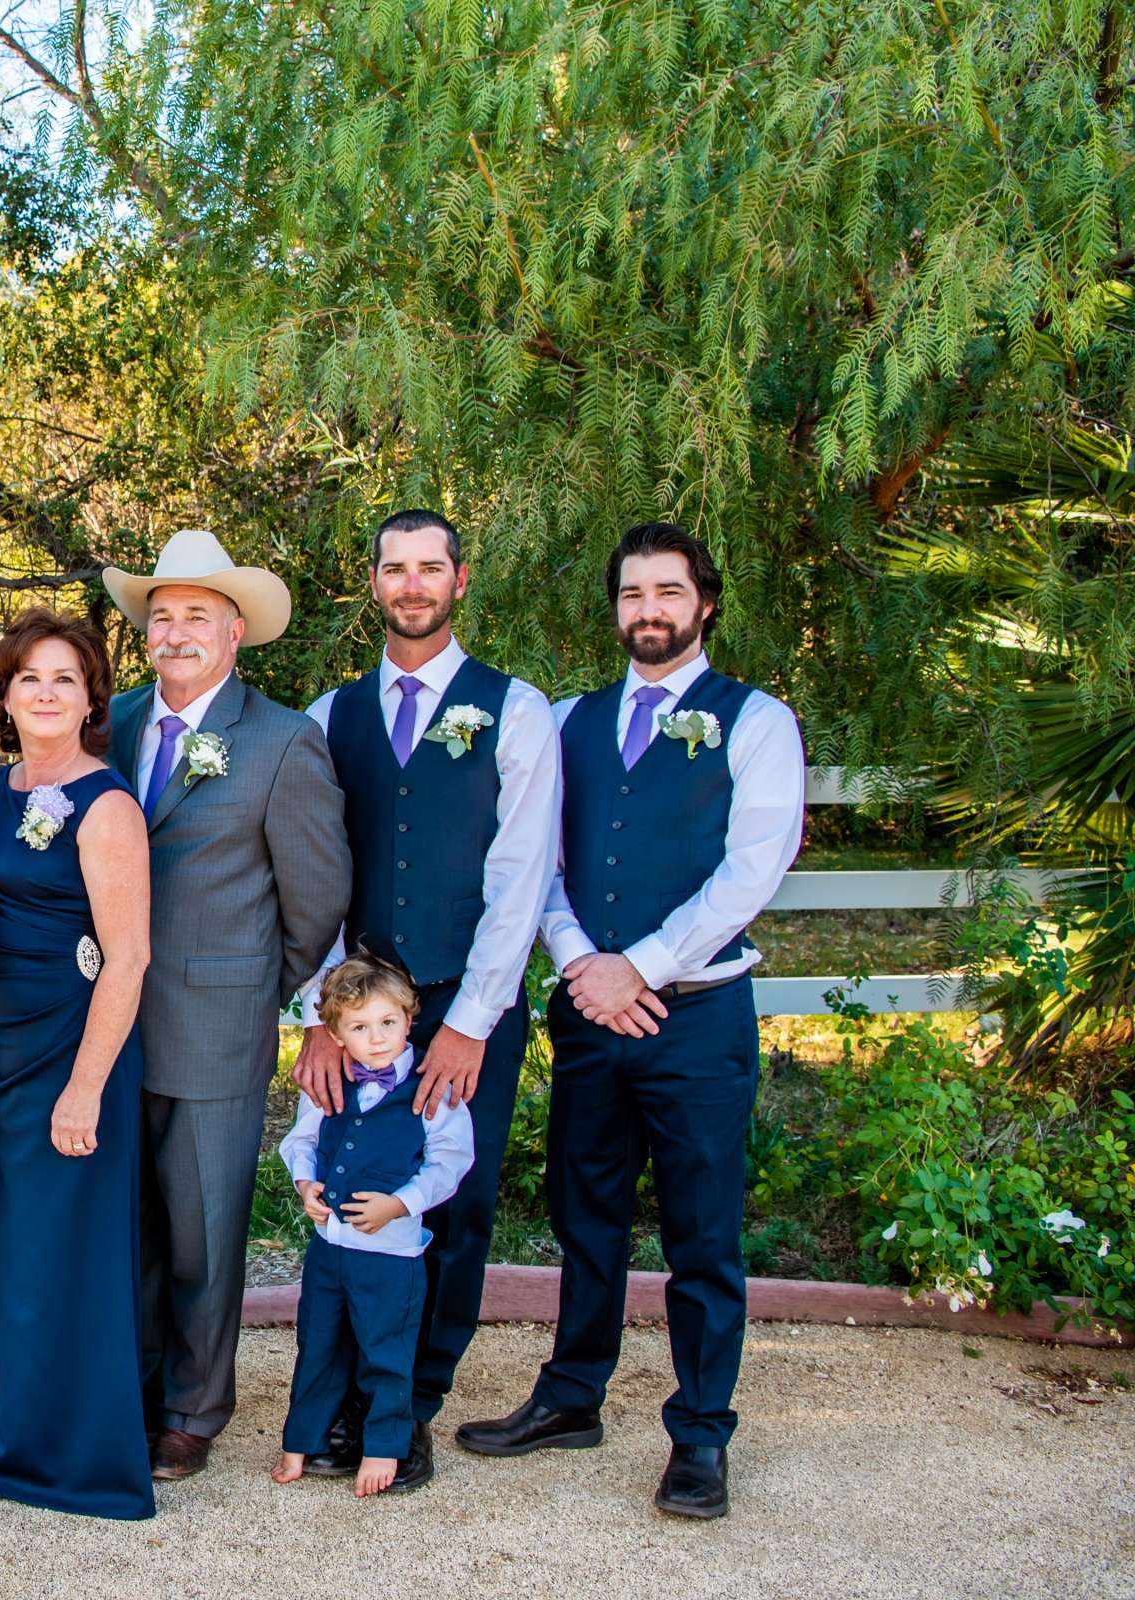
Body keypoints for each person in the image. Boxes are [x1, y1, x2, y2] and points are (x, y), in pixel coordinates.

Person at [455, 523, 804, 1522]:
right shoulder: (568, 719)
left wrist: (640, 967)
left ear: (704, 601)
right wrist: (579, 964)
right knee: (585, 1214)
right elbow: (539, 860)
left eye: (668, 591)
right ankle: (572, 1397)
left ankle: (699, 1434)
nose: (648, 610)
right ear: (614, 608)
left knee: (701, 1231)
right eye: (632, 594)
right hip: (590, 1015)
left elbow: (751, 870)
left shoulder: (757, 721)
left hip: (696, 1016)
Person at [294, 509, 559, 1485]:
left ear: (459, 581)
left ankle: (409, 1409)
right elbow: (318, 876)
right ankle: (352, 1396)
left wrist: (468, 1023)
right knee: (356, 1187)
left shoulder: (516, 710)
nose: (412, 585)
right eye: (395, 569)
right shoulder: (332, 716)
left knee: (456, 1198)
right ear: (373, 584)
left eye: (430, 568)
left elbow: (521, 875)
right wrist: (319, 1018)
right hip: (358, 1015)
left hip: (463, 1000)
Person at [101, 529, 352, 1482]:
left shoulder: (284, 741)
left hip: (216, 1025)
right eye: (161, 616)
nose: (176, 632)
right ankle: (128, 1384)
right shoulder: (112, 723)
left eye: (196, 616)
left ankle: (193, 1412)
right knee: (129, 1223)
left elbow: (317, 897)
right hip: (108, 1027)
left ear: (235, 630)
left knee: (205, 1227)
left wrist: (254, 989)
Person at [0, 609, 155, 1519]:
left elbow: (128, 957)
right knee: (18, 1250)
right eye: (29, 678)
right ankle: (12, 1439)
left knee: (67, 1250)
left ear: (92, 699)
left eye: (65, 679)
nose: (45, 693)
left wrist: (85, 1086)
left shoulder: (107, 802)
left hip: (75, 1046)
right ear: (4, 694)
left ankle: (74, 1460)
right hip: (5, 1041)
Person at [271, 957, 471, 1498]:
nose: (376, 1038)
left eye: (388, 1022)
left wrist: (401, 1204)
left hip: (391, 1255)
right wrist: (305, 1186)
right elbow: (302, 1143)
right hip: (329, 1250)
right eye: (358, 1027)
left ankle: (384, 1447)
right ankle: (302, 1440)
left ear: (410, 1019)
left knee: (386, 1350)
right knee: (318, 1345)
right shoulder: (330, 1084)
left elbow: (450, 1162)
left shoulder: (432, 1086)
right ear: (335, 1033)